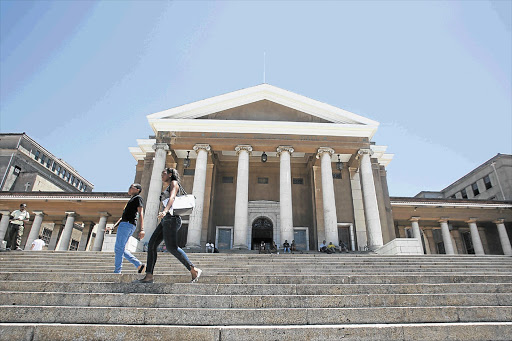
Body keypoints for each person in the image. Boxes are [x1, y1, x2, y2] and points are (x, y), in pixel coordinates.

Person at [137, 168, 202, 283]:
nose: (162, 175)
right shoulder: (168, 185)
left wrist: (165, 210)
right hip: (166, 220)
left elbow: (172, 197)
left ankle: (193, 269)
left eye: (164, 173)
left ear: (170, 174)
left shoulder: (174, 183)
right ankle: (149, 275)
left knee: (171, 247)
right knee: (152, 245)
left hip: (172, 219)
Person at [111, 183, 146, 274]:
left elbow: (141, 213)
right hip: (124, 224)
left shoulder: (138, 198)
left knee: (119, 248)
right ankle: (139, 265)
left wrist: (142, 229)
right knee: (120, 248)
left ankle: (117, 271)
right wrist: (113, 226)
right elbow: (123, 216)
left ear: (137, 190)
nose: (129, 188)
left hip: (127, 224)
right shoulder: (131, 200)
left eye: (131, 187)